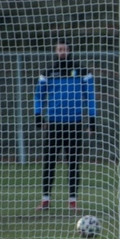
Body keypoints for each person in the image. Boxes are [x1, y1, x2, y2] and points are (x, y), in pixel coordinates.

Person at [34, 38, 98, 212]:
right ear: (56, 51)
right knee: (49, 162)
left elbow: (90, 97)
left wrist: (92, 120)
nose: (62, 52)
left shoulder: (82, 72)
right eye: (59, 49)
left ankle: (72, 201)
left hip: (74, 124)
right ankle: (46, 199)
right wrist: (39, 116)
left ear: (70, 50)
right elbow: (39, 96)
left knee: (74, 163)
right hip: (54, 124)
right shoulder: (48, 72)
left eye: (65, 49)